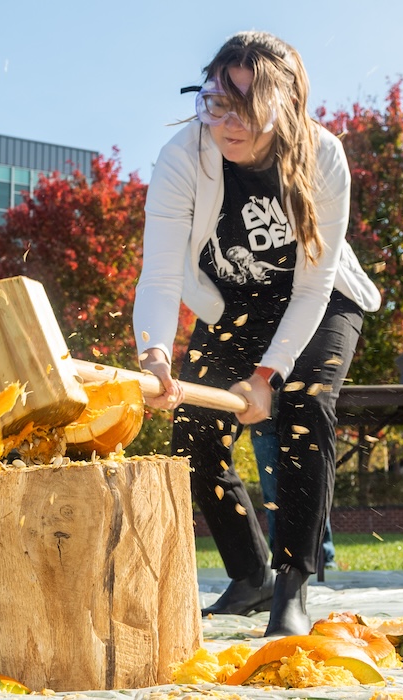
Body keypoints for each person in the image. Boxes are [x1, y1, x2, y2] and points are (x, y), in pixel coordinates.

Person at [133, 30, 380, 636]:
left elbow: (314, 283)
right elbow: (161, 274)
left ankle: (294, 584)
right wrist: (155, 355)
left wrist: (267, 375)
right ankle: (252, 575)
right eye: (218, 102)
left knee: (303, 406)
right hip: (234, 301)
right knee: (192, 428)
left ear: (285, 105)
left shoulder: (322, 156)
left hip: (318, 302)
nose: (230, 122)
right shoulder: (181, 156)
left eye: (249, 105)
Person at [251, 416, 337, 569]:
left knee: (313, 491)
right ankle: (281, 558)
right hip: (264, 424)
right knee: (273, 498)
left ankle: (324, 557)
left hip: (303, 420)